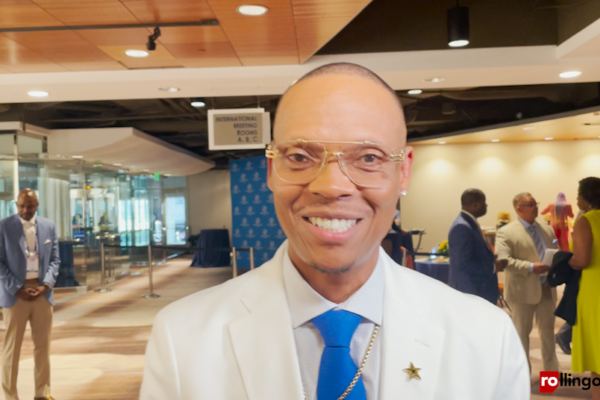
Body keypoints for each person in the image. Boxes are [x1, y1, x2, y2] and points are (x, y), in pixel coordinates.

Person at [140, 63, 529, 400]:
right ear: (271, 170)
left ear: (404, 171)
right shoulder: (183, 338)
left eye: (369, 157)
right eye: (299, 156)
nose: (331, 186)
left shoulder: (485, 337)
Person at [0, 189, 60, 400]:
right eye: (21, 206)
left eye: (30, 206)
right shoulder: (4, 226)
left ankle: (42, 393)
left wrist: (46, 285)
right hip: (15, 295)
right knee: (11, 349)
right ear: (16, 205)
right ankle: (10, 396)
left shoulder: (48, 226)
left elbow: (55, 260)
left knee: (43, 347)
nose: (25, 210)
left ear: (37, 205)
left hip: (42, 294)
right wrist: (17, 289)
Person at [495, 192, 559, 373]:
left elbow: (556, 248)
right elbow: (504, 260)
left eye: (535, 204)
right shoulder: (506, 232)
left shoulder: (547, 230)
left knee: (548, 337)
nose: (535, 207)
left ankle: (550, 381)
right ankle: (523, 379)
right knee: (521, 337)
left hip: (546, 289)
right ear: (519, 209)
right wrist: (531, 267)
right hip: (522, 291)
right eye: (530, 205)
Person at [569, 177, 600, 400]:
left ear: (586, 197)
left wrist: (564, 261)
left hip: (595, 292)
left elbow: (582, 260)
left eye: (578, 194)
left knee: (597, 356)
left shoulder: (586, 220)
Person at [448, 189, 499, 304]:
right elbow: (463, 264)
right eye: (484, 202)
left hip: (478, 290)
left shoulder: (469, 223)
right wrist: (493, 266)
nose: (486, 206)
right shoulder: (462, 227)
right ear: (475, 205)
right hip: (471, 292)